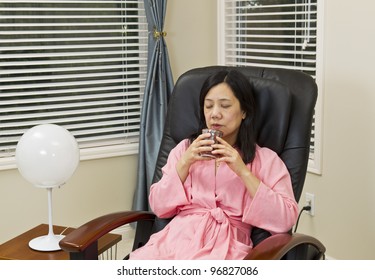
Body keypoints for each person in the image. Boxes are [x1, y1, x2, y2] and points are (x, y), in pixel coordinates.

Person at [129, 69, 299, 260]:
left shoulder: (265, 159)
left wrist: (242, 171)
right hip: (175, 240)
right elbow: (158, 206)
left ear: (244, 111)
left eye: (225, 106)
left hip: (227, 247)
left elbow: (285, 220)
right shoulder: (184, 149)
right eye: (208, 106)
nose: (215, 114)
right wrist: (185, 162)